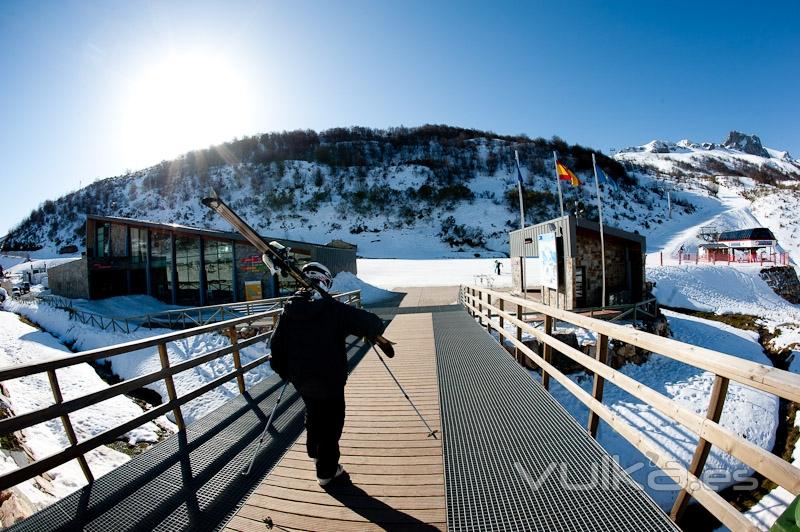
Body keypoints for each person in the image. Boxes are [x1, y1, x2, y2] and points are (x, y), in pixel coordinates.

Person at [268, 262, 387, 487]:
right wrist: (375, 328)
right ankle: (327, 471)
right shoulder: (333, 309)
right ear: (325, 282)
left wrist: (289, 373)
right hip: (331, 379)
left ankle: (315, 452)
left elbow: (275, 349)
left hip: (303, 380)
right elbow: (370, 323)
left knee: (314, 414)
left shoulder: (289, 310)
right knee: (332, 423)